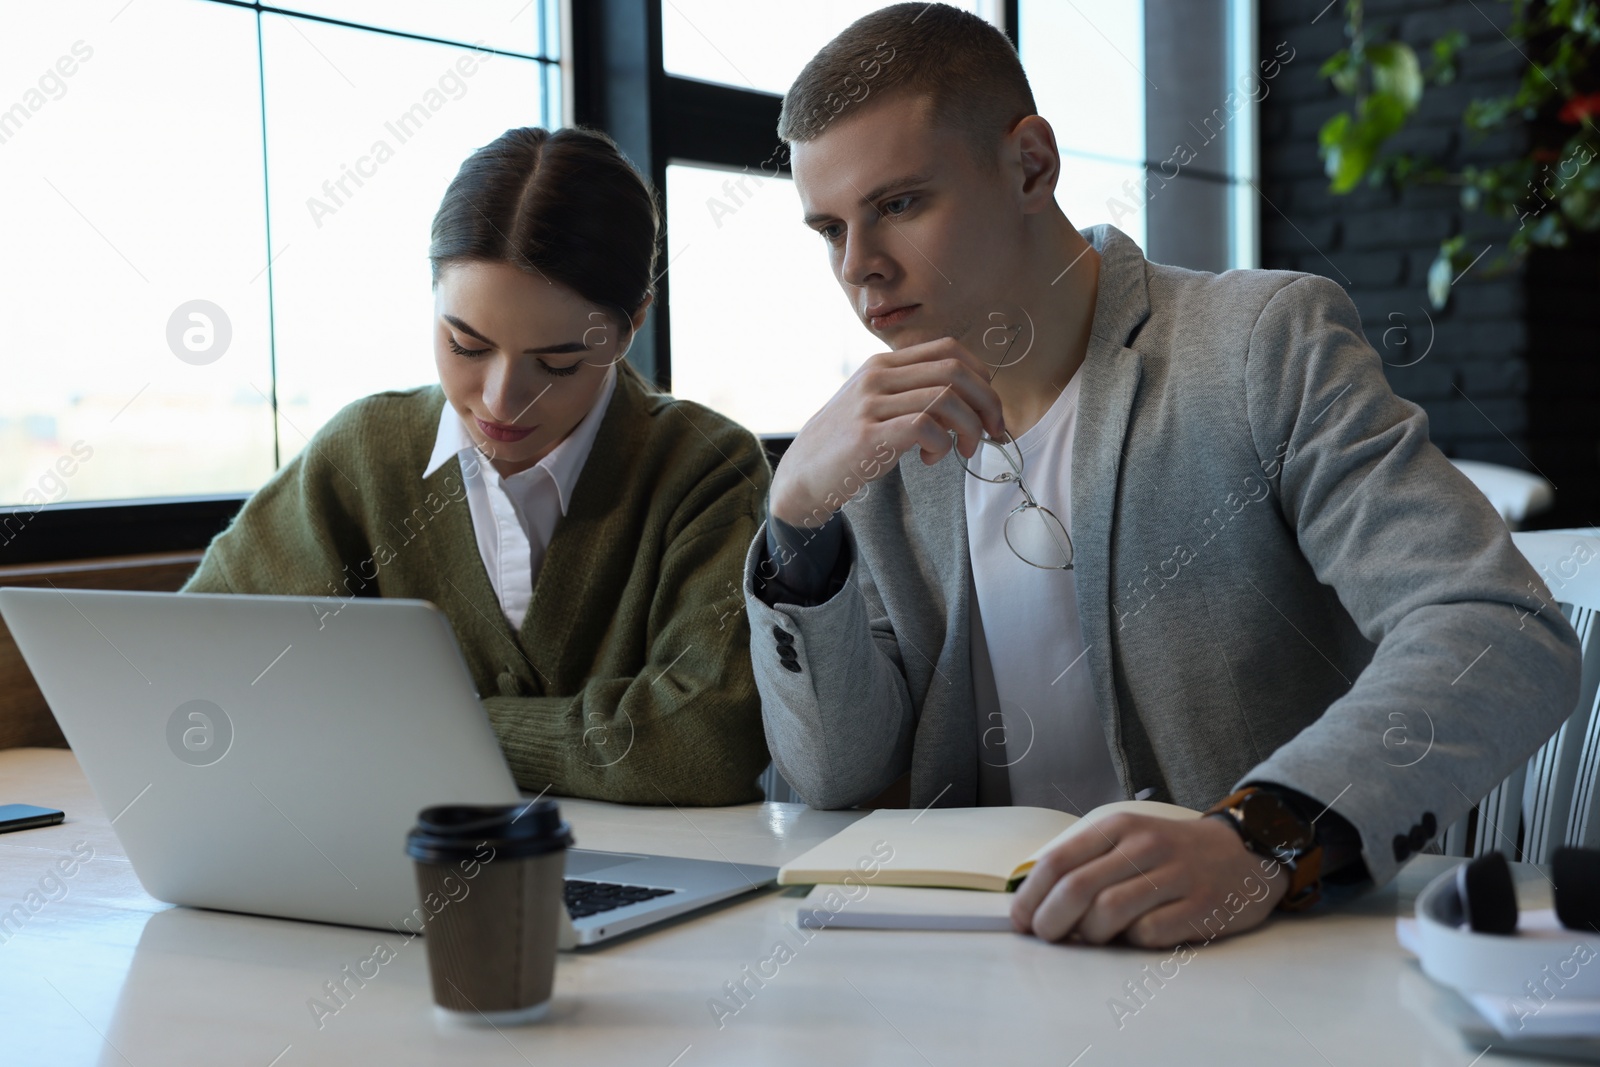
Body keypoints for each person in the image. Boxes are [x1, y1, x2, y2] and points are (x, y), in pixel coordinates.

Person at [742, 4, 1582, 948]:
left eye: (899, 205)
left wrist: (1260, 835)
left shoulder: (1261, 345)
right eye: (828, 228)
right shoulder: (882, 445)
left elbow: (1498, 630)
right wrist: (797, 523)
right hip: (982, 960)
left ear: (1031, 165)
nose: (861, 268)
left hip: (1256, 961)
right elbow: (837, 774)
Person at [182, 126, 772, 805]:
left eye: (557, 363)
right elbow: (200, 667)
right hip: (385, 868)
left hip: (659, 883)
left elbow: (701, 743)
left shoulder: (707, 469)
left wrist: (422, 723)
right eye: (465, 345)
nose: (500, 399)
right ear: (432, 296)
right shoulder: (363, 452)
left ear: (631, 324)